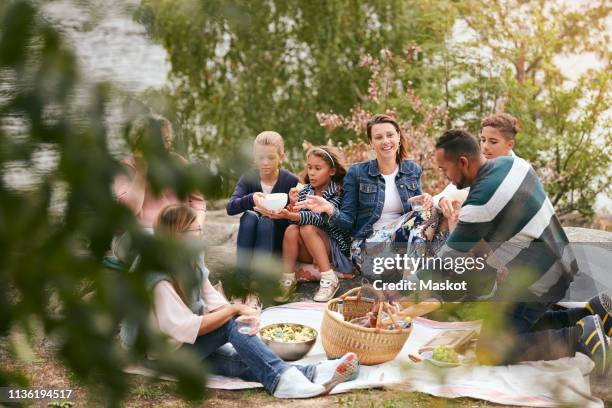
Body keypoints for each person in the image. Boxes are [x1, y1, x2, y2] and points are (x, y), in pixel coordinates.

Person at [422, 129, 611, 375]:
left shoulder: (479, 204)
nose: (445, 176)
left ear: (463, 162)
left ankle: (579, 337)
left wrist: (399, 293)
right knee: (520, 327)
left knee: (490, 350)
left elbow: (445, 263)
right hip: (561, 264)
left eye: (444, 169)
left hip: (537, 282)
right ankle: (590, 313)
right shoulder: (515, 165)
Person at [142, 204, 360, 398]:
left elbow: (211, 297)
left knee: (244, 360)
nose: (200, 235)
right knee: (230, 322)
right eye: (195, 231)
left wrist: (245, 312)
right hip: (167, 355)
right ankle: (282, 382)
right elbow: (183, 327)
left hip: (186, 347)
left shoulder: (190, 261)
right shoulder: (158, 276)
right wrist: (235, 311)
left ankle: (312, 372)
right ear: (177, 235)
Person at [295, 114, 432, 276]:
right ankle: (411, 281)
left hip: (402, 243)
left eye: (390, 135)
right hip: (368, 246)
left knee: (433, 210)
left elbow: (417, 216)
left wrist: (427, 200)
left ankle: (410, 277)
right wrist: (329, 209)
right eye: (378, 137)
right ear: (371, 143)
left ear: (399, 137)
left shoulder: (412, 169)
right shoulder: (357, 173)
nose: (385, 141)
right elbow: (347, 223)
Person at [257, 146, 352, 302]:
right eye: (309, 167)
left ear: (332, 171)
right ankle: (288, 279)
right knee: (291, 229)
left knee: (307, 228)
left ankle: (329, 278)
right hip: (308, 251)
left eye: (317, 168)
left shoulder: (337, 192)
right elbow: (294, 219)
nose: (311, 172)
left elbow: (320, 220)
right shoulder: (305, 190)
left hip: (329, 249)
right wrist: (291, 206)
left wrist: (294, 215)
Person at [112, 113, 206, 262]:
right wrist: (142, 169)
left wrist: (196, 225)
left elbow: (198, 201)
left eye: (167, 140)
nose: (164, 146)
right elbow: (130, 211)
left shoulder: (179, 163)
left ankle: (203, 285)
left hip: (174, 236)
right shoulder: (126, 167)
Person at [226, 131, 299, 273]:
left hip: (275, 243)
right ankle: (242, 281)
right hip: (250, 241)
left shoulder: (291, 181)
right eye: (260, 157)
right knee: (249, 216)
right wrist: (251, 198)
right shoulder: (248, 178)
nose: (265, 162)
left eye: (271, 157)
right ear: (254, 158)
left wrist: (289, 209)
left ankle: (261, 281)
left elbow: (299, 219)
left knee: (266, 221)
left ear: (281, 157)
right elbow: (230, 208)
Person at [433, 113, 519, 221]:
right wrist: (442, 200)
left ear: (510, 144)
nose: (485, 146)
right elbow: (441, 196)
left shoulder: (518, 171)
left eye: (493, 142)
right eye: (483, 140)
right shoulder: (477, 163)